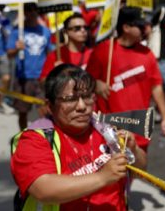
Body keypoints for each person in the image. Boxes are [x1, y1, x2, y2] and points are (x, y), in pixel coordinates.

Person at [11, 64, 146, 210]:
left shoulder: (104, 128)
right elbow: (42, 189)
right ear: (49, 106)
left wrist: (134, 150)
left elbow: (141, 167)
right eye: (70, 99)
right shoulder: (34, 139)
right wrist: (102, 177)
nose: (82, 106)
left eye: (87, 97)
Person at [87, 7, 165, 151]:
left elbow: (156, 86)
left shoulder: (147, 53)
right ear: (126, 27)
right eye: (140, 26)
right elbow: (85, 82)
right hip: (110, 128)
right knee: (116, 172)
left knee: (139, 171)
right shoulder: (103, 50)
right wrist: (96, 84)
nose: (146, 29)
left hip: (139, 126)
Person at [8, 3, 53, 129]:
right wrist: (16, 49)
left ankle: (46, 139)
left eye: (35, 10)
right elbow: (9, 55)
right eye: (28, 10)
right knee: (23, 112)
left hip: (42, 78)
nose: (32, 12)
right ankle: (23, 136)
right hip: (24, 78)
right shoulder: (17, 31)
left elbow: (50, 53)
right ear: (24, 13)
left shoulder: (46, 31)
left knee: (45, 112)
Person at [40, 13, 93, 79]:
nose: (83, 30)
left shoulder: (93, 54)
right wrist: (55, 75)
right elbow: (42, 81)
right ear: (66, 32)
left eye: (85, 27)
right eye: (77, 28)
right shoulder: (56, 55)